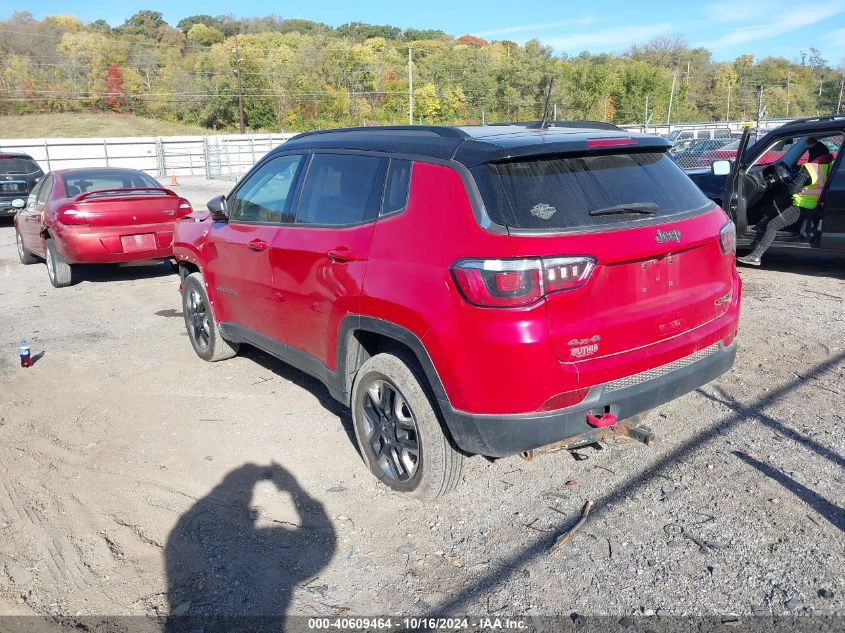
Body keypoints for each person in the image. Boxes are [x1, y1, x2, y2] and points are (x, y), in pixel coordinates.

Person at [737, 137, 834, 266]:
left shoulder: (809, 169)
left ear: (813, 153)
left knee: (773, 225)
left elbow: (793, 190)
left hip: (801, 206)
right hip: (813, 205)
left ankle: (756, 256)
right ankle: (759, 227)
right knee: (779, 204)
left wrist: (794, 181)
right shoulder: (827, 165)